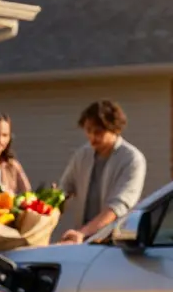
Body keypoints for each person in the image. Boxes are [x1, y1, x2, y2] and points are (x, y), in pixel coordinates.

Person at [58, 100, 147, 244]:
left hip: (116, 243)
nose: (92, 137)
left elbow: (117, 207)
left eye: (98, 132)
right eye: (88, 131)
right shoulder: (82, 155)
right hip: (82, 240)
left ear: (115, 129)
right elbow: (64, 192)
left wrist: (82, 233)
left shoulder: (132, 159)